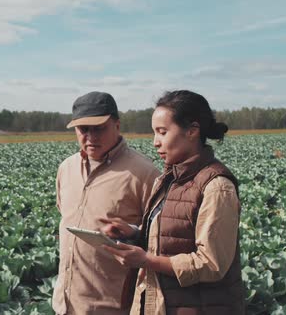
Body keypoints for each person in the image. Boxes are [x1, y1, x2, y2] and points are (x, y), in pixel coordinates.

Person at [101, 90, 245, 315]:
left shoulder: (217, 186)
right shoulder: (169, 178)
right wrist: (133, 233)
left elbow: (211, 264)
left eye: (163, 132)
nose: (155, 142)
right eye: (154, 133)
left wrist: (146, 260)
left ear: (192, 131)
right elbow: (174, 237)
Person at [52, 91, 160, 315]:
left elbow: (162, 238)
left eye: (99, 128)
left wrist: (132, 233)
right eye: (83, 129)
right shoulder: (66, 168)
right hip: (65, 303)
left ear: (117, 125)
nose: (90, 136)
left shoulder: (144, 173)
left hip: (112, 306)